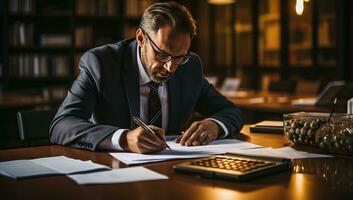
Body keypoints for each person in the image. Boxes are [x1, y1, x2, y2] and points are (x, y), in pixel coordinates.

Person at [49, 1, 243, 153]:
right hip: (114, 175)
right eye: (161, 54)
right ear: (141, 38)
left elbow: (230, 111)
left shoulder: (189, 66)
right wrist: (124, 139)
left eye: (179, 58)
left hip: (174, 172)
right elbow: (62, 125)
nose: (170, 67)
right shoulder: (101, 63)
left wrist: (215, 125)